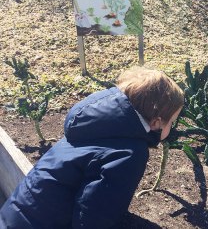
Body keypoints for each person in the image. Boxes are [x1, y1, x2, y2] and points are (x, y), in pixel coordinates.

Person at [0, 66, 184, 229]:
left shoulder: (94, 125)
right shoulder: (130, 152)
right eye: (172, 122)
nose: (172, 127)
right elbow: (96, 214)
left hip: (15, 215)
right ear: (156, 123)